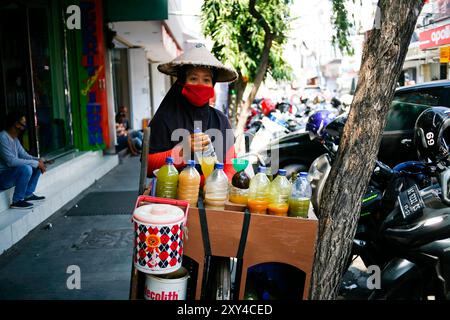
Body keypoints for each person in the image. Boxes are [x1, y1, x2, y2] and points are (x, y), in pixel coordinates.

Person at [147, 43, 238, 180]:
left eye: (206, 80)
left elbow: (230, 164)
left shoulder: (220, 120)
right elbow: (148, 168)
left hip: (213, 194)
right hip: (175, 197)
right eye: (193, 78)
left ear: (212, 85)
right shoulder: (164, 118)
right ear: (183, 82)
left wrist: (220, 183)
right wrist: (182, 150)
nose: (200, 84)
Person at [0, 112, 46, 209]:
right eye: (23, 123)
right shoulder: (2, 137)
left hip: (11, 174)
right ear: (16, 124)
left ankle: (28, 194)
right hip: (2, 178)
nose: (25, 126)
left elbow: (24, 155)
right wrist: (36, 163)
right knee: (26, 168)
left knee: (36, 166)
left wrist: (39, 160)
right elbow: (11, 161)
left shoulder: (15, 139)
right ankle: (17, 201)